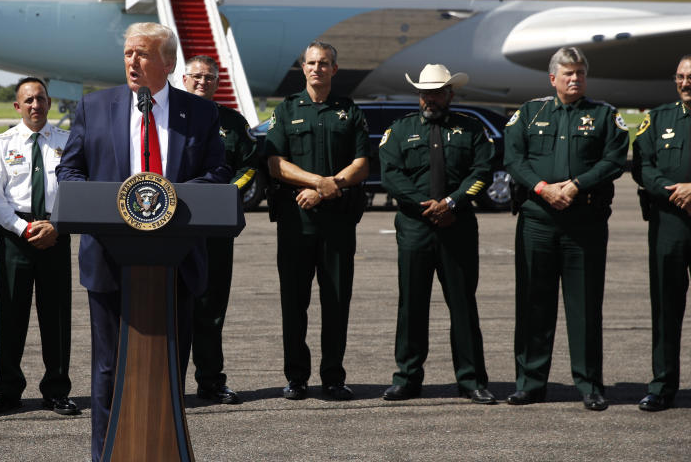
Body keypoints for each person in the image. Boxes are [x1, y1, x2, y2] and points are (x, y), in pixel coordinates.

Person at [55, 22, 230, 462]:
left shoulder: (201, 113)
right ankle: (106, 456)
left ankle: (166, 451)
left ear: (168, 63)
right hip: (110, 260)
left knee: (170, 367)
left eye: (143, 54)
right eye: (129, 53)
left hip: (177, 260)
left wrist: (168, 203)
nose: (133, 61)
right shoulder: (94, 107)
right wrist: (111, 203)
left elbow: (216, 175)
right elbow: (70, 172)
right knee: (108, 369)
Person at [504, 46, 628, 411]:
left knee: (585, 306)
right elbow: (514, 158)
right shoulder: (530, 112)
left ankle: (589, 384)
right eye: (568, 73)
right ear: (552, 78)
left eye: (580, 73)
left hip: (584, 225)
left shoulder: (604, 116)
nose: (575, 79)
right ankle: (530, 383)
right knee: (532, 305)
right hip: (538, 223)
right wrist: (542, 188)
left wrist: (575, 185)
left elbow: (614, 160)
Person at [378, 64, 496, 404]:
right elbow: (391, 175)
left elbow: (482, 171)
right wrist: (425, 206)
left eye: (437, 92)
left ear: (450, 94)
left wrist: (452, 203)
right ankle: (407, 378)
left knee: (462, 305)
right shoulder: (400, 130)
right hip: (415, 227)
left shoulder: (470, 129)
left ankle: (471, 379)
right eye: (425, 92)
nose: (430, 98)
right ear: (418, 95)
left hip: (457, 227)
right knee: (411, 305)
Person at [264, 41, 370, 401]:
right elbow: (274, 163)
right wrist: (316, 183)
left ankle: (333, 377)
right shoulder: (287, 110)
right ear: (303, 68)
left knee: (337, 302)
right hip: (296, 224)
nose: (317, 68)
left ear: (334, 69)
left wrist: (329, 188)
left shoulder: (349, 111)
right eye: (311, 63)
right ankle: (296, 377)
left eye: (324, 63)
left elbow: (362, 164)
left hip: (338, 224)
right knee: (294, 304)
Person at [0, 77, 78, 416]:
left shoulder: (70, 142)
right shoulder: (2, 144)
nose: (35, 105)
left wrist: (57, 226)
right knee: (11, 314)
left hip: (55, 233)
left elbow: (80, 189)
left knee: (57, 316)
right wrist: (23, 229)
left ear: (49, 103)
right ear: (17, 106)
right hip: (15, 236)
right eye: (28, 100)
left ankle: (57, 390)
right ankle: (7, 391)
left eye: (41, 99)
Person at [181, 55, 257, 405]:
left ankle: (211, 381)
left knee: (211, 308)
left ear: (217, 82)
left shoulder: (232, 122)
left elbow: (249, 166)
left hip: (214, 228)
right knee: (176, 307)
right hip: (174, 226)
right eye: (196, 76)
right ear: (184, 78)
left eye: (209, 77)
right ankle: (171, 382)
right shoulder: (167, 117)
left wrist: (225, 194)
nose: (202, 82)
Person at [631, 54, 691, 412]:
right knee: (665, 308)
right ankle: (662, 385)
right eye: (681, 77)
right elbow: (642, 166)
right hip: (669, 221)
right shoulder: (657, 118)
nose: (686, 83)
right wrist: (676, 191)